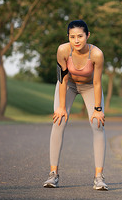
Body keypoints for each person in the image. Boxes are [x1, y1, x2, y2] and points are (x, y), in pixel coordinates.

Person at [43, 20, 108, 190]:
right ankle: (53, 175)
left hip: (90, 87)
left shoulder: (96, 54)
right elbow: (62, 78)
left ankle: (99, 177)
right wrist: (62, 107)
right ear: (68, 38)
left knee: (97, 124)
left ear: (88, 35)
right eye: (72, 37)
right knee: (59, 120)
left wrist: (98, 109)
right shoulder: (63, 50)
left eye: (80, 36)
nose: (77, 40)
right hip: (68, 85)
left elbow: (97, 82)